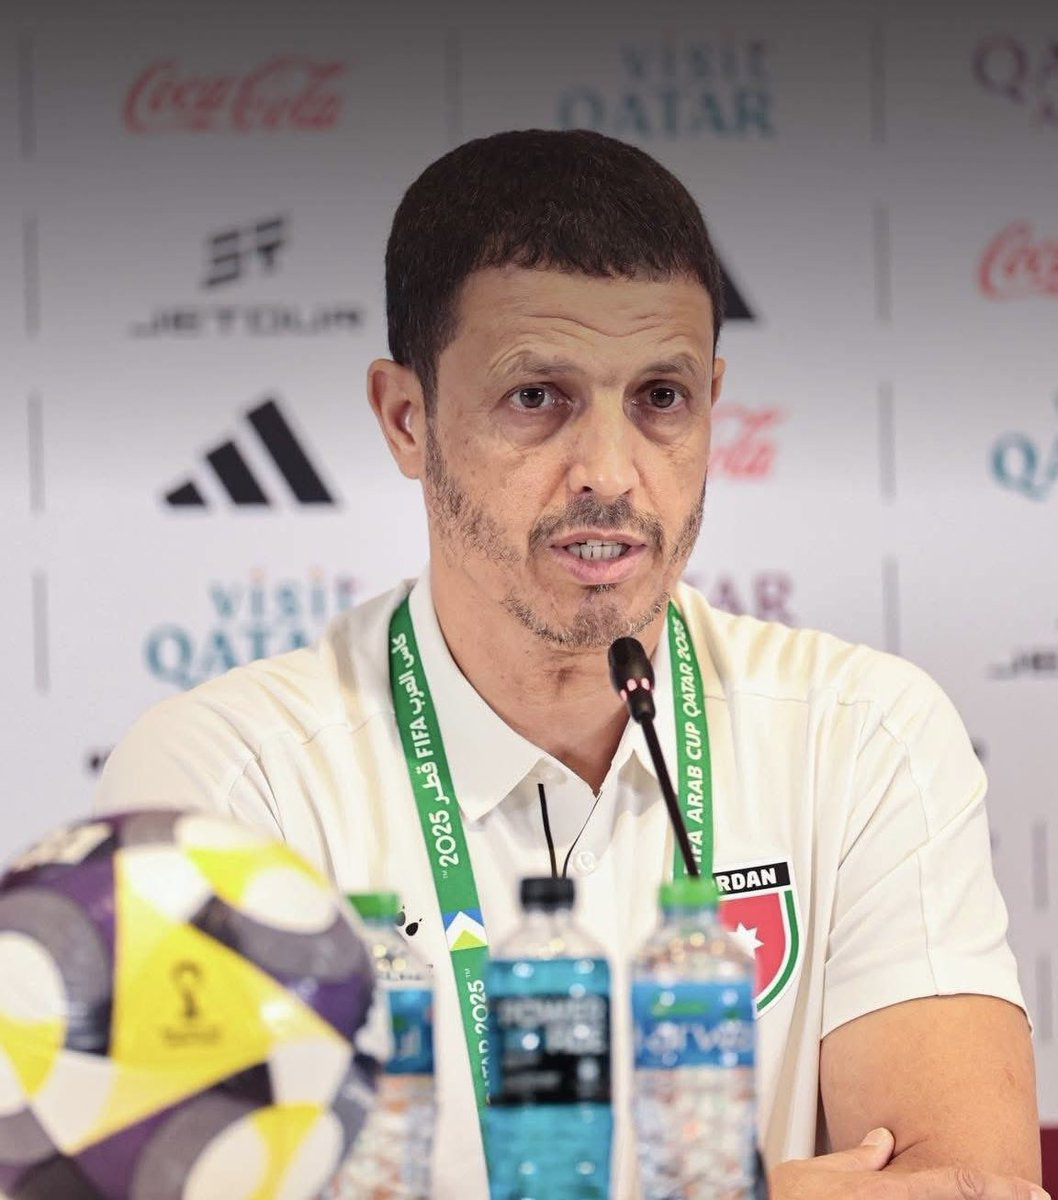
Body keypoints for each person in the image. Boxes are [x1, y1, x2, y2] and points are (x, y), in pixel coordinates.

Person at [97, 129, 1044, 1199]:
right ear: (407, 418)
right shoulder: (225, 785)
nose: (609, 473)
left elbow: (973, 1188)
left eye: (660, 398)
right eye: (537, 397)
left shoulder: (864, 735)